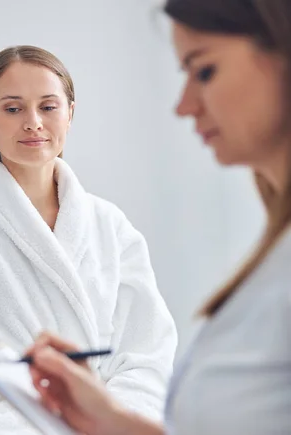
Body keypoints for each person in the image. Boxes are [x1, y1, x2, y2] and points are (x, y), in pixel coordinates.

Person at [26, 1, 291, 434]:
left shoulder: (111, 226)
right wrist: (110, 419)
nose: (184, 106)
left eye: (204, 71)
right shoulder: (272, 262)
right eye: (13, 108)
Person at [0, 45, 177, 434]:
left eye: (48, 107)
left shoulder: (111, 225)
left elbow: (147, 354)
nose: (33, 122)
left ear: (70, 113)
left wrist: (108, 421)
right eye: (13, 109)